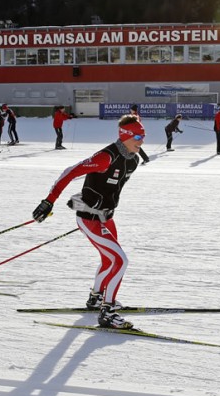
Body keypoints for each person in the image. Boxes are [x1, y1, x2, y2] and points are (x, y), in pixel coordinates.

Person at [31, 114, 146, 330]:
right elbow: (70, 172)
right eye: (138, 136)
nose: (142, 141)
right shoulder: (106, 157)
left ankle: (96, 298)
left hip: (107, 217)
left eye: (144, 136)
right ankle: (108, 312)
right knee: (120, 261)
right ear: (125, 136)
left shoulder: (133, 160)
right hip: (89, 218)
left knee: (108, 259)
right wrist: (49, 201)